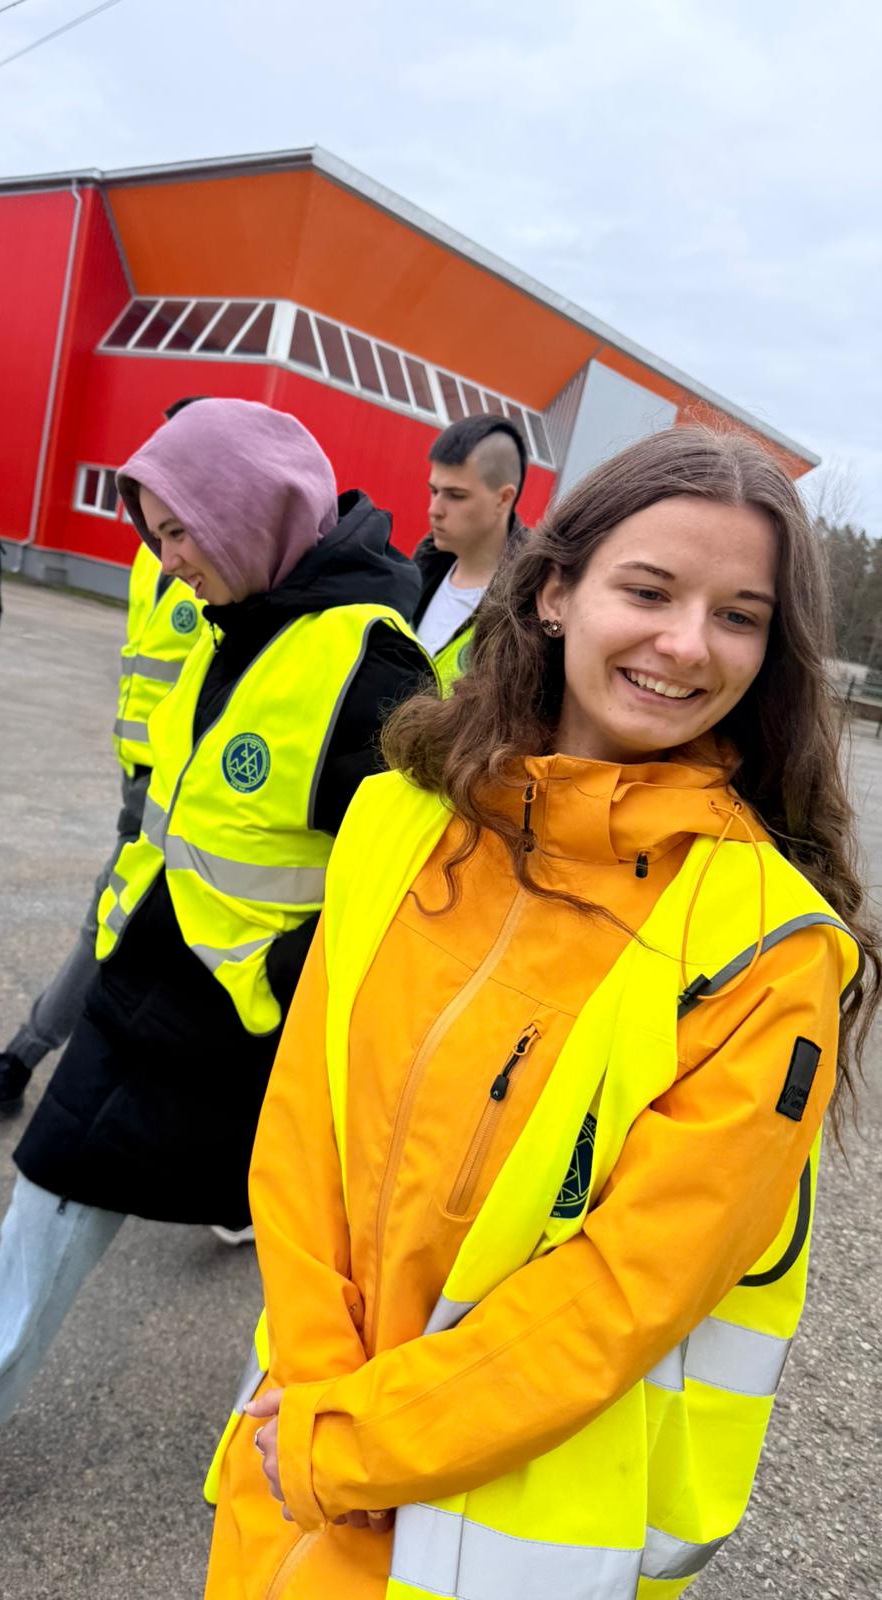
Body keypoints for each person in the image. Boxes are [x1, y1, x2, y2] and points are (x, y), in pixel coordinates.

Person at [204, 426, 880, 1599]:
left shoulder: (769, 949)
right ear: (557, 591)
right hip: (296, 1462)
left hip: (497, 1532)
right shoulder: (398, 818)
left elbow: (626, 1288)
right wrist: (316, 1394)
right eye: (650, 590)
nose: (687, 643)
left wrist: (359, 1443)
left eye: (738, 615)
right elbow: (304, 1124)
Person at [0, 397, 429, 1508]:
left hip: (261, 1037)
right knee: (49, 1193)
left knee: (309, 1265)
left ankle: (293, 1474)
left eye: (180, 532)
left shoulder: (373, 671)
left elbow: (413, 885)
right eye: (156, 534)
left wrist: (287, 985)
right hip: (148, 994)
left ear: (249, 515)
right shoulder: (236, 623)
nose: (167, 560)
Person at [0, 446, 206, 1116]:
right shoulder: (157, 555)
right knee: (127, 926)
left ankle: (21, 1059)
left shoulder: (219, 564)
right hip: (140, 770)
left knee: (110, 920)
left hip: (181, 782)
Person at [412, 414, 526, 690]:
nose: (434, 510)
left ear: (503, 499)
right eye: (434, 491)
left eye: (456, 495)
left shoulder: (527, 609)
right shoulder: (419, 571)